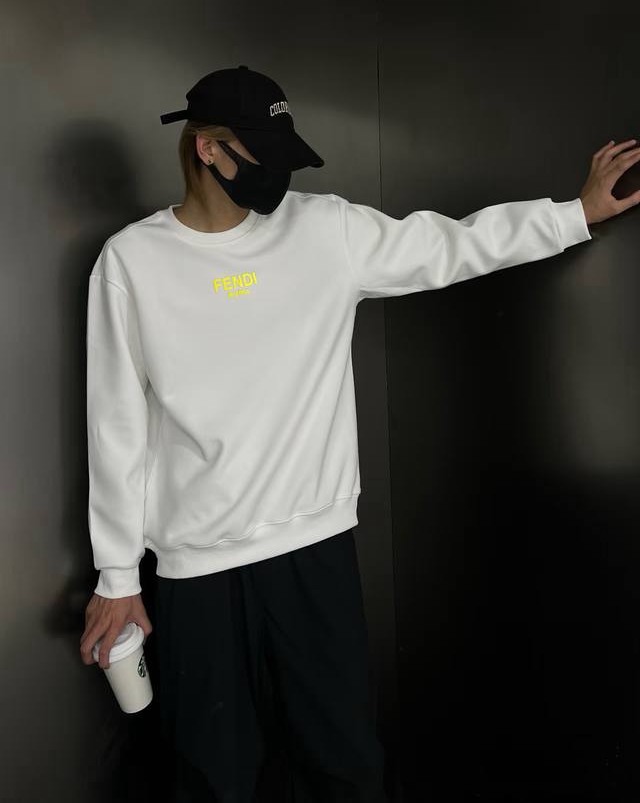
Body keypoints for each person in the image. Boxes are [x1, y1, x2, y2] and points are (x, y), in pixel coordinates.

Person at [79, 64, 640, 802]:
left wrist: (573, 215)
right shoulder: (132, 262)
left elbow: (450, 246)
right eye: (262, 158)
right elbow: (115, 423)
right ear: (208, 149)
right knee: (213, 774)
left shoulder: (326, 231)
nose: (279, 178)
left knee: (343, 761)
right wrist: (117, 577)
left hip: (314, 548)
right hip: (196, 569)